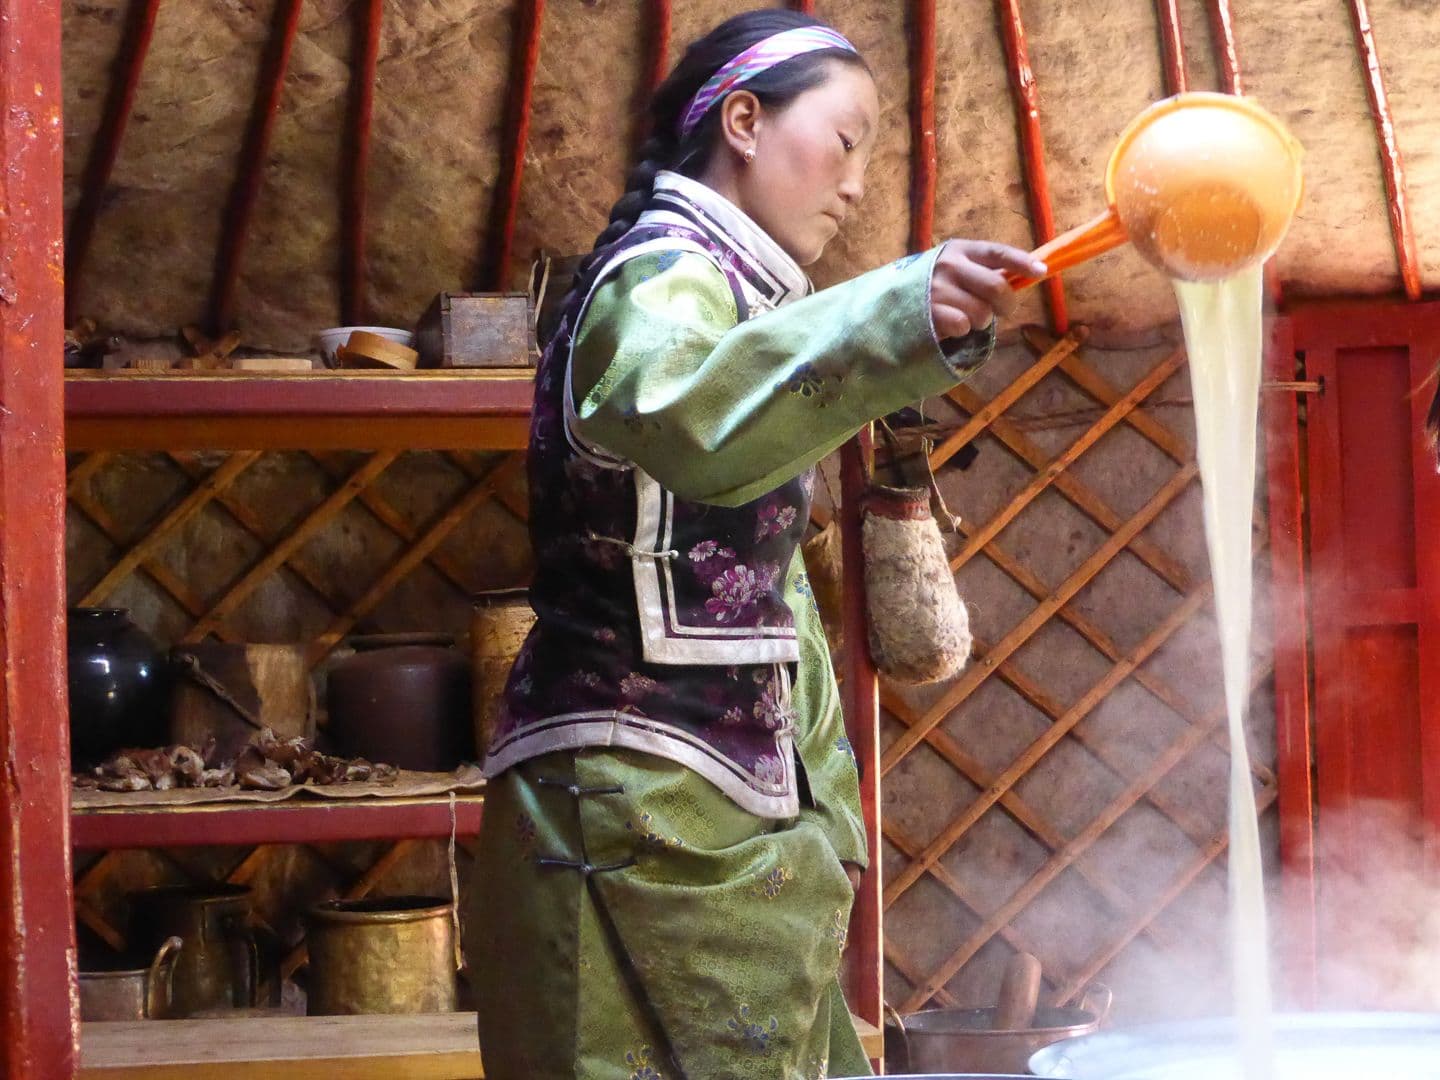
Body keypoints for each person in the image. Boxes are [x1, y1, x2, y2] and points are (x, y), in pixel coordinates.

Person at [464, 10, 1045, 1079]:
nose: (859, 184)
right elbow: (684, 411)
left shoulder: (740, 297)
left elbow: (760, 589)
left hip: (717, 800)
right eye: (847, 138)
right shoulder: (660, 279)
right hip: (631, 801)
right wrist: (899, 312)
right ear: (743, 120)